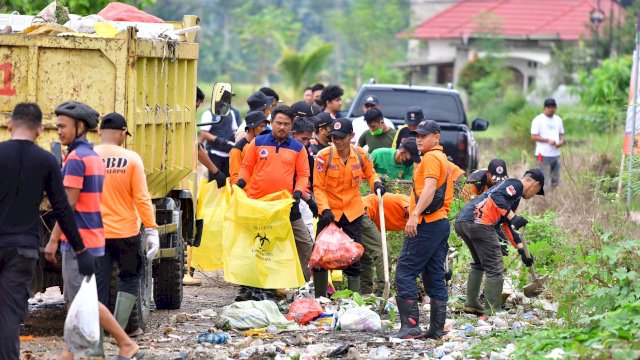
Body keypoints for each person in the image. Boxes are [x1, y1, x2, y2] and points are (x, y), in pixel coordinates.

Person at [44, 101, 142, 360]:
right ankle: (73, 352)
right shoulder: (91, 156)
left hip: (79, 240)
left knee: (81, 302)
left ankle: (124, 343)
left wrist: (53, 240)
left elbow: (68, 207)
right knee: (77, 301)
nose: (59, 132)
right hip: (94, 236)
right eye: (57, 127)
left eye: (63, 126)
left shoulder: (77, 159)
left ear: (80, 127)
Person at [0, 103, 95, 360]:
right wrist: (81, 249)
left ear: (10, 125)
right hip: (23, 250)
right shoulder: (46, 161)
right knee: (9, 314)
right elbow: (63, 209)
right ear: (40, 130)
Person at [92, 112, 159, 353]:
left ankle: (96, 347)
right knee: (129, 278)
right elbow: (141, 197)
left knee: (97, 286)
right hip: (126, 232)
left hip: (95, 233)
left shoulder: (87, 157)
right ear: (122, 133)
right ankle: (117, 333)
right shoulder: (131, 159)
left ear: (99, 132)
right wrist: (151, 228)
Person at [236, 105, 312, 300]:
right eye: (279, 123)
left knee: (304, 244)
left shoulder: (298, 148)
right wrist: (242, 181)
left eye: (286, 124)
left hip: (286, 205)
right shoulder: (258, 143)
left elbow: (304, 175)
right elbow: (247, 166)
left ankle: (300, 284)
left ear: (291, 126)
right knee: (256, 247)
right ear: (271, 123)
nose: (282, 127)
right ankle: (248, 287)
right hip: (259, 205)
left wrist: (298, 192)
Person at [455, 169, 544, 317]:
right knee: (495, 266)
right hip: (479, 222)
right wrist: (513, 216)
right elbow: (496, 197)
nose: (533, 195)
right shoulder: (515, 184)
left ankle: (471, 304)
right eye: (537, 191)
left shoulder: (512, 198)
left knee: (479, 262)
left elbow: (506, 224)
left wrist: (521, 249)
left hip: (463, 222)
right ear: (535, 185)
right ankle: (493, 308)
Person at [394, 120, 454, 340]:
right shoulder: (441, 158)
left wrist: (415, 215)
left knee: (405, 271)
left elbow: (429, 189)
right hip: (440, 223)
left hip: (427, 223)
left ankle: (410, 327)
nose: (419, 139)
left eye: (424, 135)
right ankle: (436, 330)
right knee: (433, 275)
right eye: (417, 135)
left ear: (436, 137)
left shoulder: (430, 158)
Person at [313, 118, 386, 296]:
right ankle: (321, 297)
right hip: (329, 213)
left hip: (353, 213)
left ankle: (353, 299)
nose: (337, 142)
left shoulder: (361, 155)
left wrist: (376, 183)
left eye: (341, 137)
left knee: (353, 257)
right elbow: (318, 186)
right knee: (322, 257)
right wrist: (325, 209)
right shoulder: (323, 156)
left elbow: (371, 173)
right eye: (334, 138)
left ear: (351, 136)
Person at [359, 193, 410, 296]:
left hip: (362, 215)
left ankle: (366, 294)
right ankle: (384, 293)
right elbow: (411, 210)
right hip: (363, 212)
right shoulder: (411, 203)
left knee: (365, 256)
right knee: (383, 251)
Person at [199, 89, 238, 178]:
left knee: (227, 181)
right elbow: (204, 133)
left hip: (228, 153)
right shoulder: (208, 113)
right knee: (215, 181)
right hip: (214, 153)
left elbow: (235, 130)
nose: (228, 101)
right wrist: (217, 139)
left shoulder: (231, 113)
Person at [229, 111, 270, 186]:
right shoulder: (238, 149)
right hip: (247, 194)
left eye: (265, 126)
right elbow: (235, 177)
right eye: (261, 126)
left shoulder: (265, 145)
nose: (264, 129)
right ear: (251, 128)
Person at [531, 98, 564, 189]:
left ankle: (553, 199)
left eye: (552, 107)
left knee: (556, 179)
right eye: (548, 107)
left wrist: (560, 142)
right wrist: (547, 140)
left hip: (555, 154)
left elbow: (561, 135)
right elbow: (533, 136)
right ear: (544, 108)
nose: (550, 109)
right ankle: (543, 200)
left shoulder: (558, 120)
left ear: (555, 108)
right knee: (544, 179)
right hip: (543, 154)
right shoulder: (538, 120)